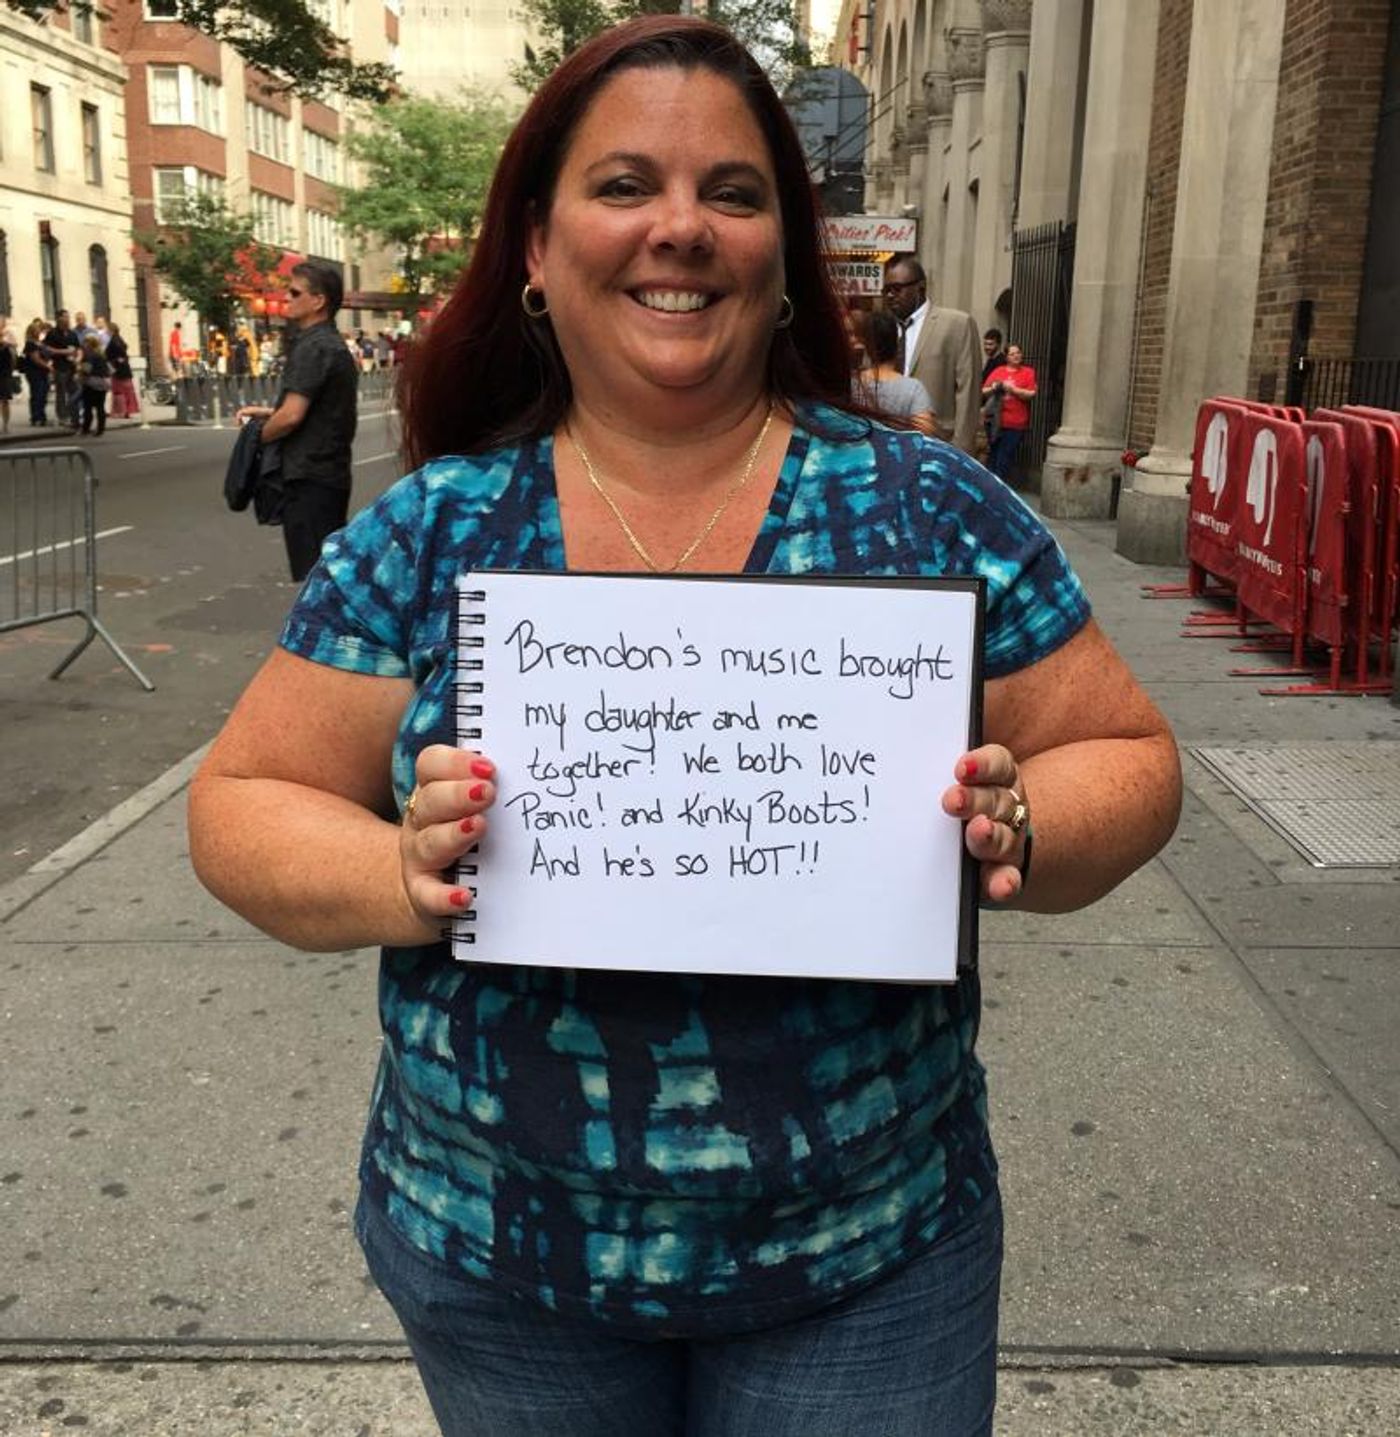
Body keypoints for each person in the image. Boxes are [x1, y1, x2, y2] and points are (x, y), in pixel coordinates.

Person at [188, 18, 1180, 1437]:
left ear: (784, 250)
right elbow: (241, 799)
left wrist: (1026, 825)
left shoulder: (926, 512)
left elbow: (1131, 760)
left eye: (732, 192)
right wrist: (395, 878)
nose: (681, 229)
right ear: (534, 247)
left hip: (867, 1267)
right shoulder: (434, 531)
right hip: (498, 1264)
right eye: (624, 186)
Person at [234, 260, 359, 580]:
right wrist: (269, 414)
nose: (286, 298)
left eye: (294, 292)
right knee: (325, 573)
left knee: (315, 577)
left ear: (318, 301)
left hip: (309, 476)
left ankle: (321, 632)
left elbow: (291, 417)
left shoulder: (314, 346)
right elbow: (317, 409)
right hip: (327, 473)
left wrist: (255, 438)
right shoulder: (330, 345)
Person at [883, 257, 981, 454]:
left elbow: (968, 392)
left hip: (938, 445)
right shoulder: (884, 328)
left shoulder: (956, 324)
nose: (890, 296)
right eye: (886, 290)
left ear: (920, 287)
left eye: (897, 289)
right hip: (890, 447)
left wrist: (960, 453)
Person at [850, 307, 936, 434]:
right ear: (897, 345)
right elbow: (925, 432)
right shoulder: (913, 389)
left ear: (867, 346)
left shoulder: (852, 385)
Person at [981, 342, 1038, 482]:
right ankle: (990, 487)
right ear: (1006, 357)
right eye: (1012, 354)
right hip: (995, 421)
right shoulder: (998, 371)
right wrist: (995, 388)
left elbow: (1031, 394)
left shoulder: (1028, 372)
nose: (1016, 356)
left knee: (1005, 457)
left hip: (1016, 423)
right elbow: (983, 391)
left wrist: (1013, 390)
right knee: (993, 455)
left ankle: (999, 488)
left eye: (1018, 352)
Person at [44, 309, 81, 426]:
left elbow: (77, 349)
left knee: (74, 392)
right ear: (59, 318)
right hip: (60, 367)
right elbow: (47, 350)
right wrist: (65, 352)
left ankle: (75, 416)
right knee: (61, 393)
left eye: (68, 316)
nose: (67, 319)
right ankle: (62, 416)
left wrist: (78, 358)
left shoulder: (72, 333)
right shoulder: (52, 333)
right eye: (65, 317)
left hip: (72, 367)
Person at [77, 333, 112, 436]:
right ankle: (100, 429)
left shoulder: (88, 356)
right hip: (103, 382)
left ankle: (85, 429)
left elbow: (86, 370)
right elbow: (108, 370)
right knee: (100, 407)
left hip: (91, 383)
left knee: (88, 407)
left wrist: (79, 369)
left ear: (89, 344)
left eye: (85, 342)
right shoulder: (101, 354)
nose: (83, 344)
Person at [21, 319, 53, 426]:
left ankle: (41, 416)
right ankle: (36, 417)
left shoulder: (39, 343)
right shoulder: (30, 344)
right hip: (34, 372)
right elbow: (36, 359)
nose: (39, 332)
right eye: (37, 330)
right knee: (37, 394)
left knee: (43, 394)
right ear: (32, 332)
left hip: (42, 372)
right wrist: (48, 366)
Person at [106, 324, 140, 420]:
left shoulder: (113, 341)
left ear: (112, 330)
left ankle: (121, 411)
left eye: (108, 330)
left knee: (119, 391)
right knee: (127, 391)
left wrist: (114, 362)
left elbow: (109, 355)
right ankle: (126, 411)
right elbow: (124, 354)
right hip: (124, 369)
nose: (107, 332)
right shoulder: (120, 339)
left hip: (118, 370)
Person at [0, 319, 16, 436]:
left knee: (5, 400)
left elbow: (15, 347)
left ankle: (6, 425)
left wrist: (8, 344)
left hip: (5, 373)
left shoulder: (8, 336)